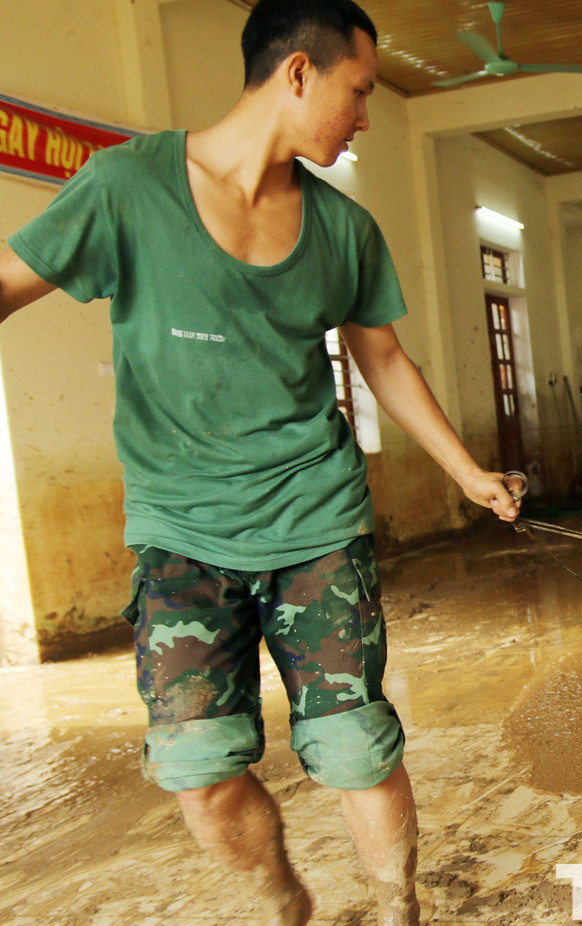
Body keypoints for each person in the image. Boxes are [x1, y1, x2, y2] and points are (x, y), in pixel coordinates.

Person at [0, 2, 521, 923]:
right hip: (182, 536)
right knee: (199, 777)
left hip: (315, 522)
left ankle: (398, 911)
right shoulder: (128, 186)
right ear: (297, 75)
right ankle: (288, 903)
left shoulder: (342, 229)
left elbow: (383, 359)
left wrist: (466, 472)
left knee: (359, 748)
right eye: (359, 92)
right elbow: (8, 281)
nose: (364, 116)